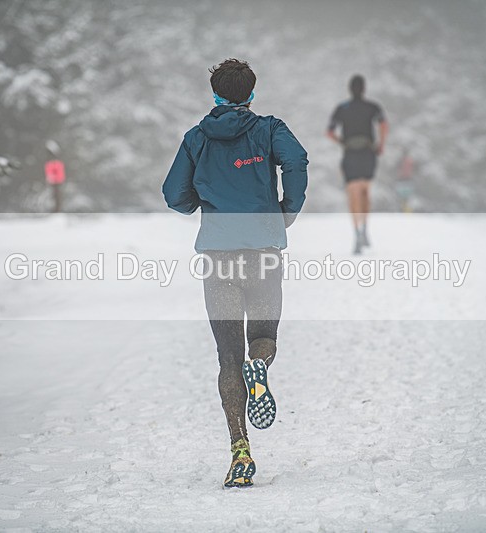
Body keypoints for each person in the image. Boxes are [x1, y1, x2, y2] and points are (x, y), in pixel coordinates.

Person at [162, 58, 308, 488]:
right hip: (263, 249)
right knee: (263, 336)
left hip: (218, 254)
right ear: (251, 93)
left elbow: (174, 195)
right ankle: (259, 364)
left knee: (228, 357)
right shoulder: (270, 129)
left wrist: (200, 201)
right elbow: (297, 162)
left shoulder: (196, 138)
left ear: (215, 95)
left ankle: (240, 452)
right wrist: (286, 212)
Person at [326, 74, 388, 254]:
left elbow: (329, 132)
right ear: (364, 88)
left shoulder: (342, 108)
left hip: (350, 154)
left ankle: (357, 232)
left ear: (349, 89)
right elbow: (383, 125)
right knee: (365, 192)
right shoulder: (372, 107)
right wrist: (381, 145)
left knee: (353, 194)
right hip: (368, 153)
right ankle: (365, 228)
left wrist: (342, 142)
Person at [396, 147, 416, 213]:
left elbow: (397, 168)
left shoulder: (400, 160)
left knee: (403, 195)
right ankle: (406, 208)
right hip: (408, 179)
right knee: (407, 195)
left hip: (402, 179)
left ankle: (404, 208)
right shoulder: (410, 160)